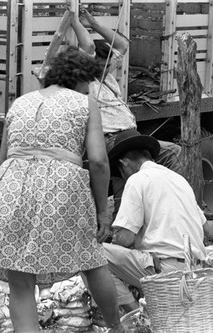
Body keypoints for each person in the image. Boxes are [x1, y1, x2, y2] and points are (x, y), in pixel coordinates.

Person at [0, 47, 128, 333]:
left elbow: (4, 158)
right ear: (80, 79)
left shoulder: (19, 103)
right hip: (62, 187)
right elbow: (100, 162)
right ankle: (116, 328)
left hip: (11, 186)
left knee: (20, 277)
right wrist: (102, 210)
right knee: (91, 259)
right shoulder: (84, 103)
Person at [71, 9, 183, 217]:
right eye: (98, 64)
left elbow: (122, 44)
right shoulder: (85, 82)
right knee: (127, 169)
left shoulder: (107, 77)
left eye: (106, 63)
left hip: (131, 136)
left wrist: (94, 24)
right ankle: (122, 221)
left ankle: (176, 204)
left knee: (173, 152)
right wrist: (74, 21)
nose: (105, 67)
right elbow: (86, 46)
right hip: (111, 140)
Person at [101, 129, 208, 312]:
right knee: (139, 254)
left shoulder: (137, 179)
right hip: (195, 268)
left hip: (167, 269)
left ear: (124, 163)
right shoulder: (179, 179)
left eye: (121, 171)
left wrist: (111, 236)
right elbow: (206, 228)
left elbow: (124, 239)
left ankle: (135, 315)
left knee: (94, 254)